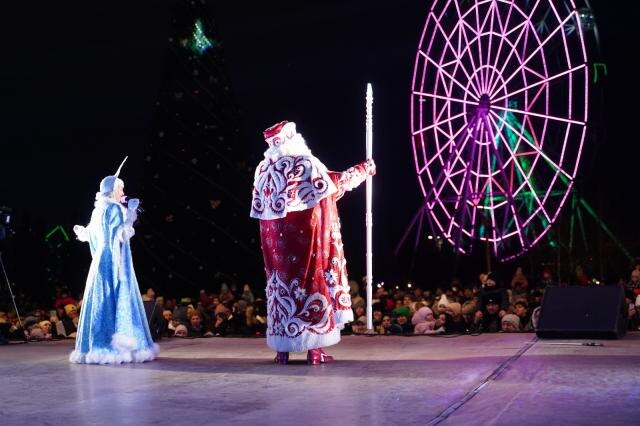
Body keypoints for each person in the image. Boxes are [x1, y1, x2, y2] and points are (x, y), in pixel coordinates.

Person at [250, 121, 376, 365]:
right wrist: (363, 169)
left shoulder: (263, 170)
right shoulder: (305, 163)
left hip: (276, 250)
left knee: (280, 289)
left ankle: (282, 351)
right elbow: (332, 184)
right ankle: (314, 350)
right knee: (310, 284)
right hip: (306, 243)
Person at [69, 159, 159, 364]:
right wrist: (131, 214)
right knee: (118, 297)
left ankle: (96, 346)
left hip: (100, 261)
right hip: (115, 260)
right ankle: (119, 346)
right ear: (111, 190)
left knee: (101, 300)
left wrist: (82, 232)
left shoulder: (98, 210)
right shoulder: (116, 209)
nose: (122, 192)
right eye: (120, 189)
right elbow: (121, 235)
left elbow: (91, 235)